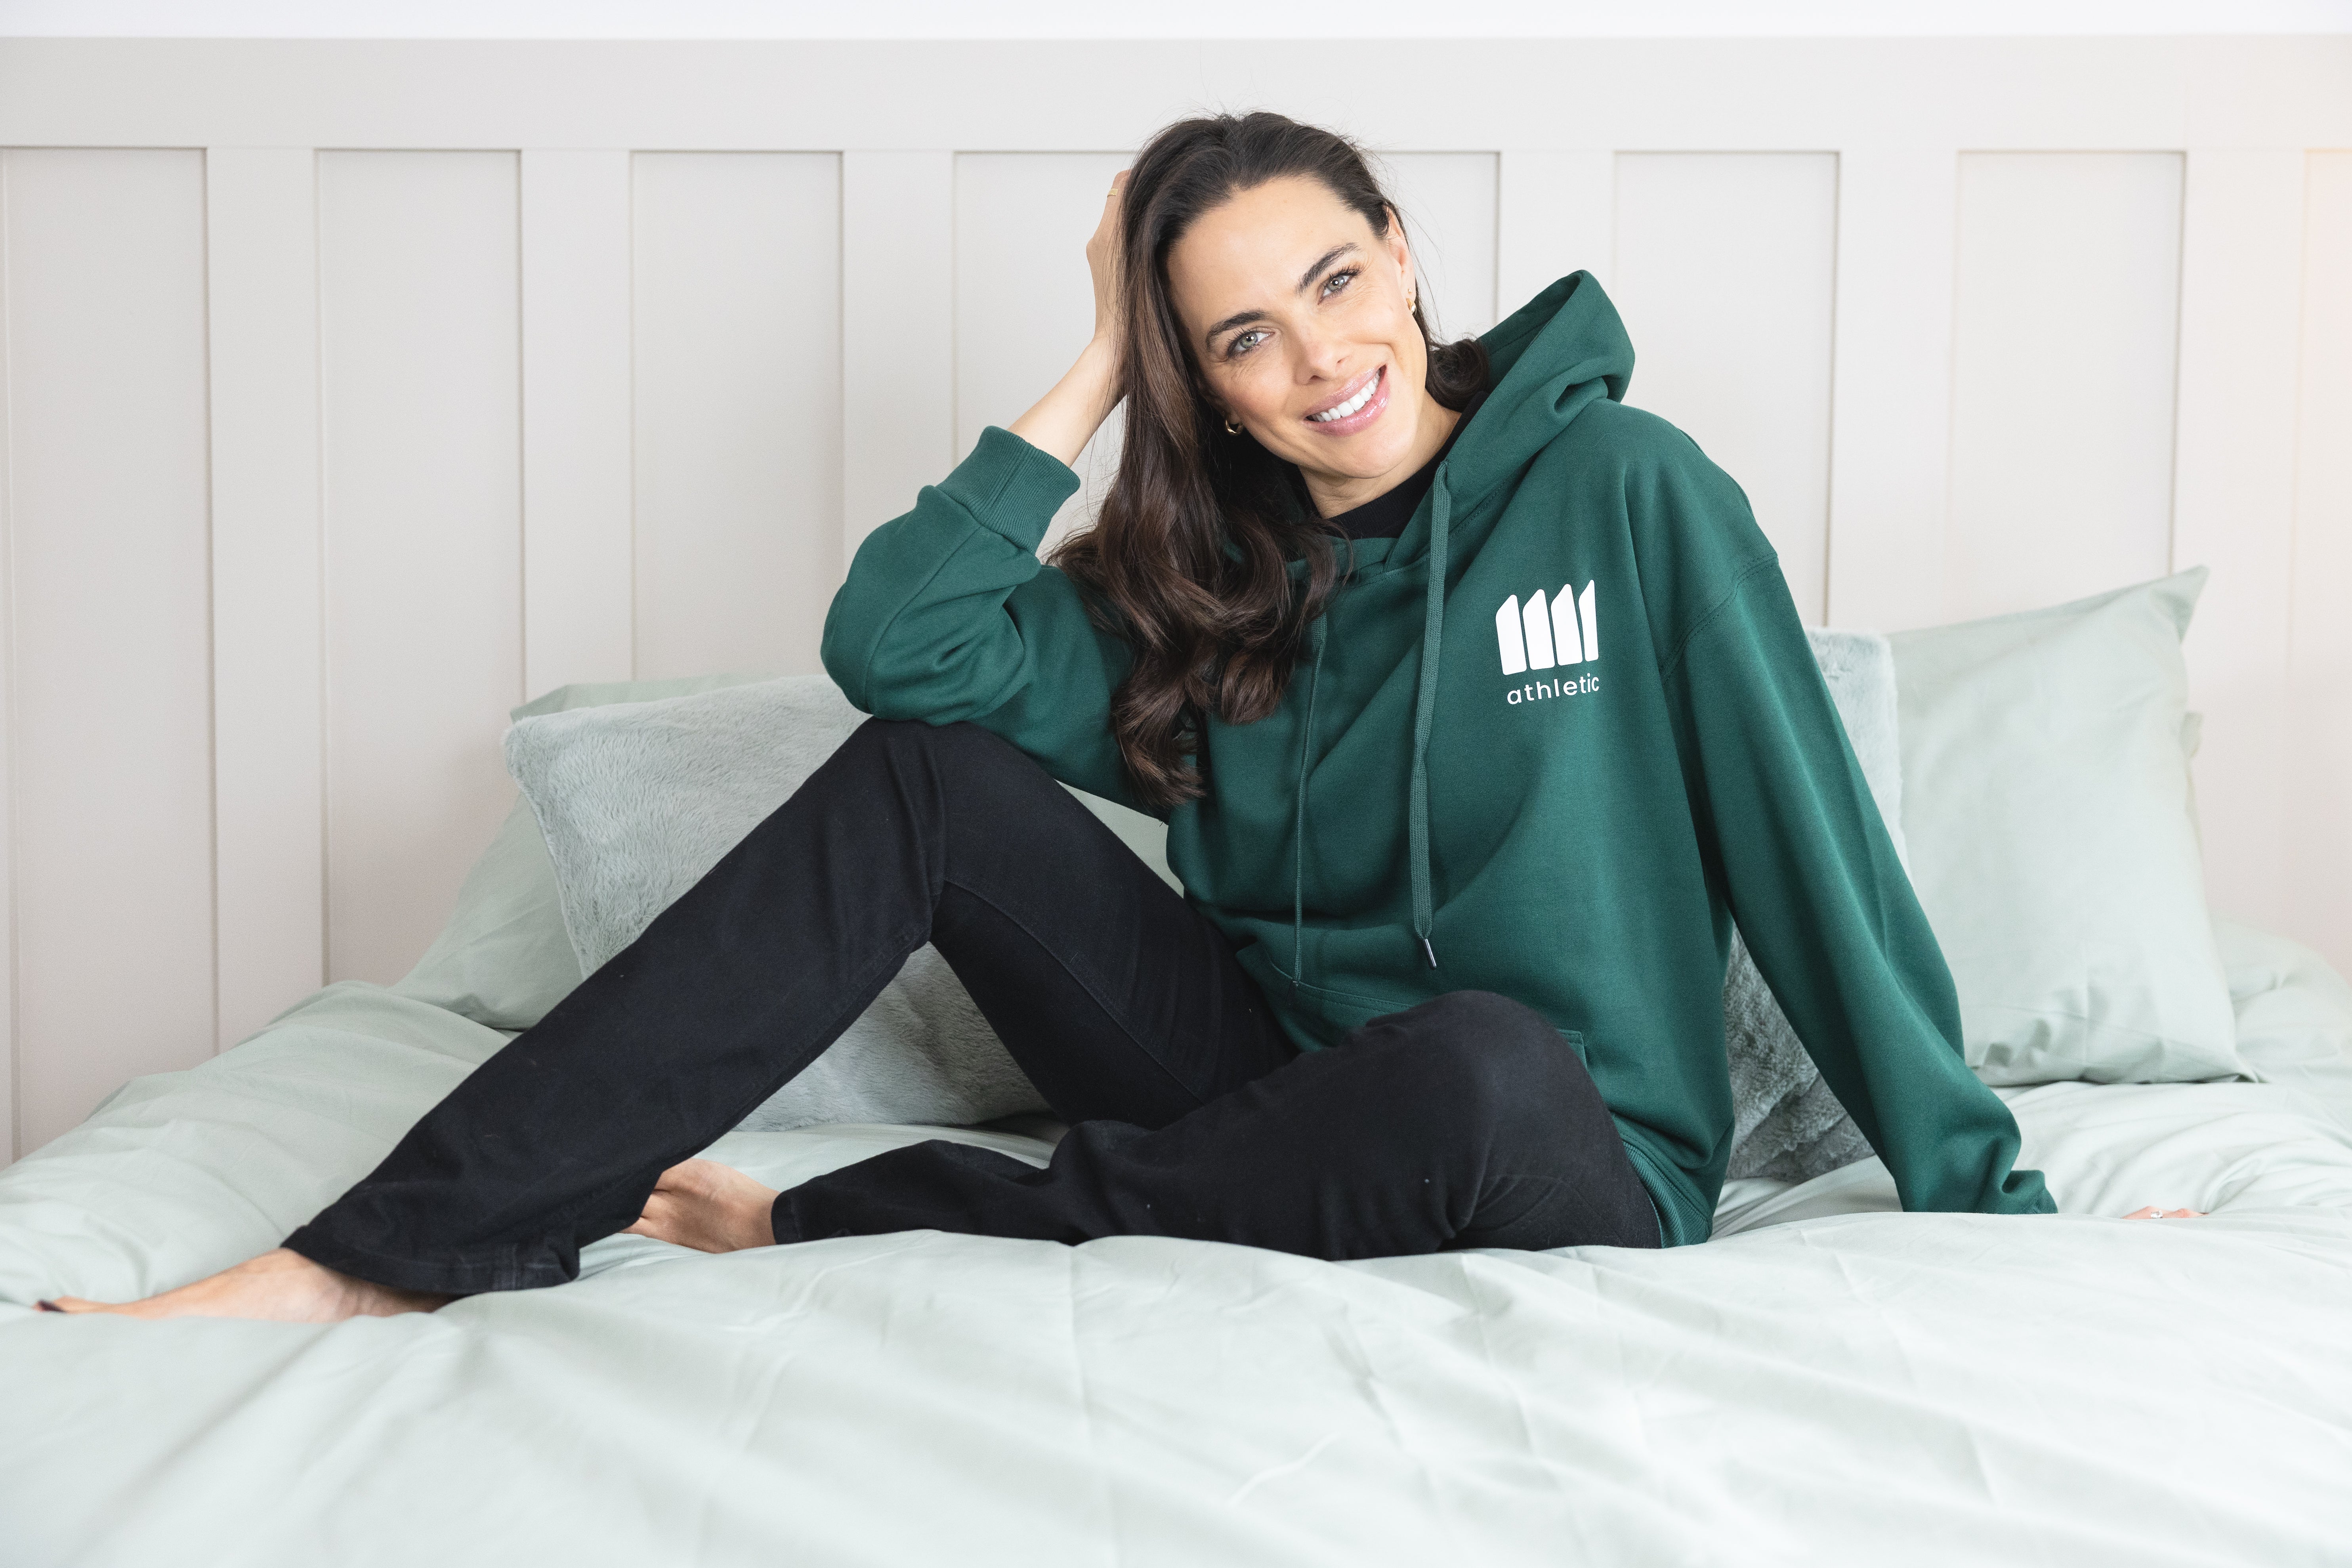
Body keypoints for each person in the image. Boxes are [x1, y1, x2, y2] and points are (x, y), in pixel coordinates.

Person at [51, 111, 2179, 1325]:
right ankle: (393, 1250)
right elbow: (900, 649)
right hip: (1265, 1080)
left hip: (1556, 1136)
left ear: (1403, 255)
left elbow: (1812, 850)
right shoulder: (1208, 586)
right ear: (1204, 381)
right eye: (1238, 337)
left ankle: (873, 1211)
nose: (1318, 359)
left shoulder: (1627, 493)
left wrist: (1988, 1197)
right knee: (926, 784)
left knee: (1483, 1056)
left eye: (1334, 282)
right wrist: (1092, 357)